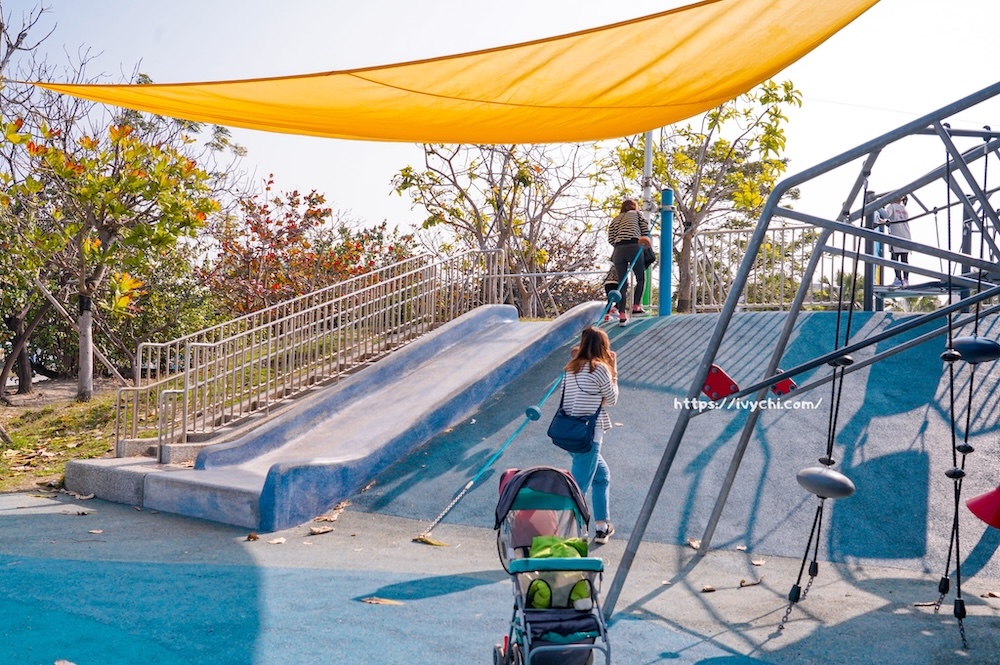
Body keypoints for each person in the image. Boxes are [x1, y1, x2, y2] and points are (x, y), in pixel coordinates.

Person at [563, 325, 619, 544]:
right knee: (578, 489)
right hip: (588, 436)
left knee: (602, 476)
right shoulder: (601, 369)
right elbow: (612, 399)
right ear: (603, 347)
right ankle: (565, 535)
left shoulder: (571, 368)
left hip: (569, 432)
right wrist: (614, 370)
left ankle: (602, 527)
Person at [607, 199, 652, 326]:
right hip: (633, 246)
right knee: (640, 278)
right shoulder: (637, 214)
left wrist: (620, 244)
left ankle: (622, 314)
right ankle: (636, 306)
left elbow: (611, 238)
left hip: (618, 250)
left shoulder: (616, 219)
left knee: (622, 283)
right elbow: (645, 230)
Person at [876, 194, 911, 287]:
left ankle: (898, 278)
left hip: (896, 237)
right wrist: (885, 222)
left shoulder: (892, 206)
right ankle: (906, 279)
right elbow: (896, 221)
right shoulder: (904, 209)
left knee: (894, 258)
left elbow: (886, 215)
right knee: (904, 259)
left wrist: (877, 206)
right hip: (906, 236)